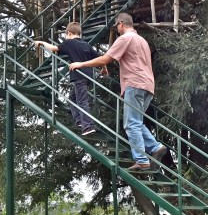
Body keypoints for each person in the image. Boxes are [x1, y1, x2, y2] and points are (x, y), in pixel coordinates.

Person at [68, 12, 166, 171]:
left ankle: (141, 160)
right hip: (148, 86)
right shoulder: (141, 40)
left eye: (116, 26)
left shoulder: (125, 38)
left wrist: (81, 64)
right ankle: (156, 147)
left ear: (121, 24)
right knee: (136, 122)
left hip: (134, 84)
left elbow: (106, 58)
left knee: (131, 124)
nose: (116, 29)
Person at [34, 22, 103, 136]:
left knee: (82, 101)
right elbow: (100, 58)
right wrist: (104, 68)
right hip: (89, 76)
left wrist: (42, 42)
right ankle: (79, 120)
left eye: (66, 35)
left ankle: (88, 126)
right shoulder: (86, 44)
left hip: (79, 76)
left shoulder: (69, 43)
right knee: (72, 97)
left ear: (69, 33)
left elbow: (54, 48)